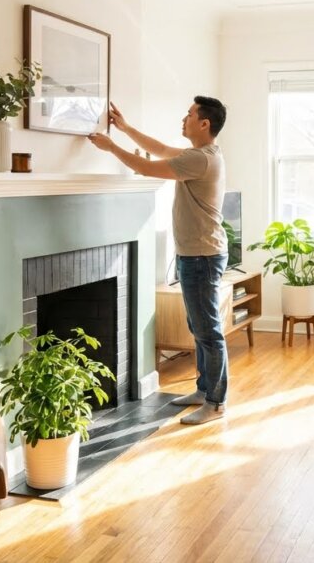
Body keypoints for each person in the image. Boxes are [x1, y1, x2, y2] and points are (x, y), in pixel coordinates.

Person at [88, 96, 229, 425]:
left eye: (190, 114)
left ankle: (215, 402)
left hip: (202, 256)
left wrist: (111, 146)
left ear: (204, 123)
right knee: (199, 328)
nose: (184, 119)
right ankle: (204, 390)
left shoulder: (200, 159)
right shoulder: (202, 155)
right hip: (196, 253)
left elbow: (146, 167)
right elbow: (161, 149)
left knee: (208, 331)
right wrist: (125, 128)